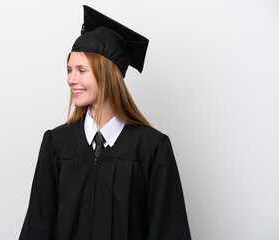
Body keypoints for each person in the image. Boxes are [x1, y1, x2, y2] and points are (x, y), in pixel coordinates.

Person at [19, 5, 191, 240]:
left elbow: (168, 231)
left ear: (108, 75)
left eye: (81, 70)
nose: (71, 80)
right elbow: (38, 228)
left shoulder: (151, 148)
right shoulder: (56, 144)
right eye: (69, 70)